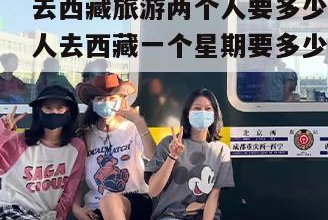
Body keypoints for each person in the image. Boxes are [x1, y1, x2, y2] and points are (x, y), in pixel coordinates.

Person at [72, 73, 156, 220]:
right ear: (92, 103)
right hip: (96, 207)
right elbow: (76, 177)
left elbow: (153, 156)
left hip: (135, 200)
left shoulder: (132, 128)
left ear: (121, 100)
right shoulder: (84, 135)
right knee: (107, 202)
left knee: (109, 201)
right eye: (100, 99)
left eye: (112, 98)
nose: (106, 102)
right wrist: (76, 208)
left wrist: (140, 123)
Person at [146, 88, 234, 220]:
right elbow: (153, 191)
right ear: (188, 113)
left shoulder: (221, 150)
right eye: (197, 108)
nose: (203, 113)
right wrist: (172, 156)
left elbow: (214, 195)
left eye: (208, 109)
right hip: (171, 216)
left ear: (215, 114)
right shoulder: (169, 143)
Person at [0, 84, 85, 220]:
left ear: (69, 112)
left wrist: (59, 217)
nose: (54, 112)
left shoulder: (76, 147)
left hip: (45, 214)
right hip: (12, 208)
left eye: (60, 108)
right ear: (39, 111)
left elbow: (69, 192)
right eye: (48, 108)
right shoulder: (20, 142)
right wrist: (3, 131)